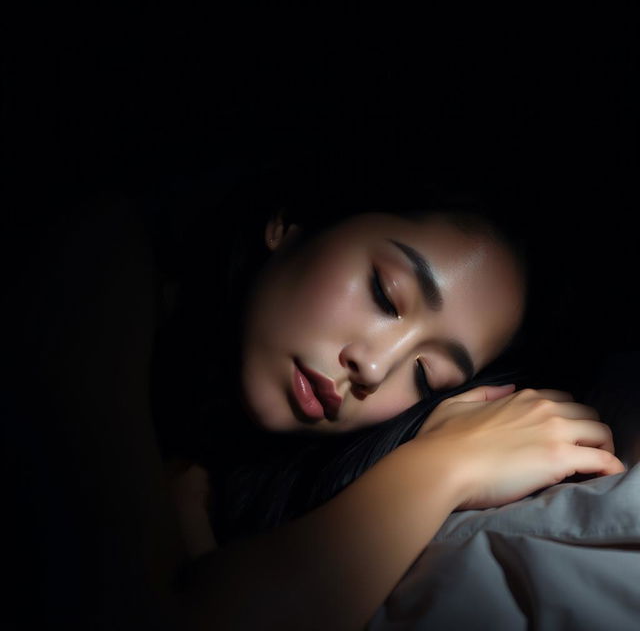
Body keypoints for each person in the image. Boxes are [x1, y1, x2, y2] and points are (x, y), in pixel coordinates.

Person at [4, 168, 624, 630]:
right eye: (386, 293)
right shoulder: (96, 259)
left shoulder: (232, 481)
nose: (373, 367)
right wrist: (446, 465)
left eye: (425, 374)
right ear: (290, 220)